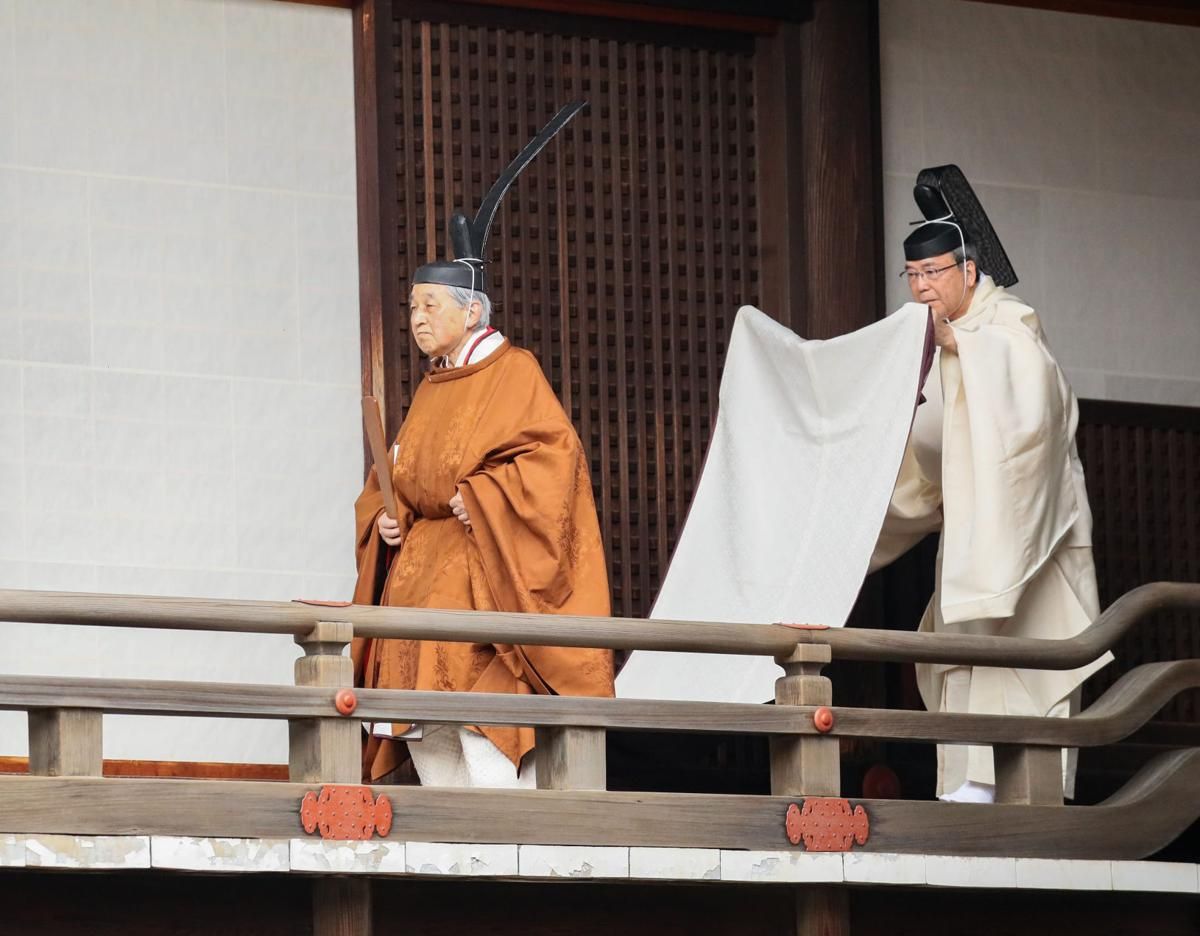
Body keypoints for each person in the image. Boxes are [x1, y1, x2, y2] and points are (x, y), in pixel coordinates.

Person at [351, 104, 614, 788]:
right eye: (410, 308)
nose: (414, 320)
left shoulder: (513, 372)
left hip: (481, 582)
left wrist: (482, 495)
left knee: (484, 746)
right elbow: (401, 475)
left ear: (472, 310)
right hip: (421, 591)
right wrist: (386, 513)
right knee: (431, 747)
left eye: (427, 307)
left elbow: (553, 464)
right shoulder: (434, 387)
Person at [871, 165, 1112, 803]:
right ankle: (966, 789)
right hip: (971, 539)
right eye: (913, 276)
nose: (921, 288)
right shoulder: (931, 342)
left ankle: (1033, 797)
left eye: (934, 274)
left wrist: (960, 348)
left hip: (1032, 543)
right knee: (966, 656)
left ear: (970, 272)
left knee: (1025, 657)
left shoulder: (1007, 326)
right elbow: (925, 468)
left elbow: (1032, 395)